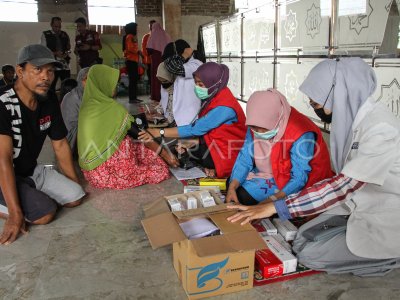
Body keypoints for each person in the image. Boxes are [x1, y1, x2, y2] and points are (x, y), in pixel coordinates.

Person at [228, 58, 400, 276]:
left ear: (339, 94)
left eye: (316, 103)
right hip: (357, 205)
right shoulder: (354, 123)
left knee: (309, 254)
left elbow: (341, 185)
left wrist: (274, 206)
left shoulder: (381, 128)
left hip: (386, 215)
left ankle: (391, 256)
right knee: (300, 240)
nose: (313, 107)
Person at [0, 44, 85, 245]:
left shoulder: (47, 100)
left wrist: (75, 183)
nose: (46, 77)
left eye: (50, 71)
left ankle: (29, 192)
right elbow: (2, 159)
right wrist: (15, 213)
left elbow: (60, 145)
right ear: (20, 72)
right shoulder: (3, 103)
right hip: (4, 172)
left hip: (30, 171)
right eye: (37, 70)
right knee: (44, 213)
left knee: (75, 197)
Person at [139, 62, 247, 178]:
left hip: (230, 149)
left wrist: (159, 132)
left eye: (201, 84)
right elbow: (213, 131)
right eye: (196, 83)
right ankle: (205, 162)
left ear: (213, 82)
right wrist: (195, 142)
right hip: (217, 143)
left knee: (180, 152)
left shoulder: (224, 107)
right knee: (179, 148)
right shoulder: (215, 95)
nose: (197, 88)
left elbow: (196, 129)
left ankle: (216, 166)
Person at [77, 64, 177, 190]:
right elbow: (140, 135)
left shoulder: (87, 106)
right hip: (109, 172)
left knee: (140, 147)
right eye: (113, 83)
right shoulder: (113, 109)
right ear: (102, 83)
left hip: (92, 171)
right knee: (160, 169)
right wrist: (166, 155)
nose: (116, 87)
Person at [226, 89, 333, 205]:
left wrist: (271, 202)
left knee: (243, 196)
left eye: (263, 128)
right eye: (254, 128)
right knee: (232, 185)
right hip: (270, 171)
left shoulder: (300, 132)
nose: (258, 132)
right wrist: (232, 186)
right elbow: (245, 156)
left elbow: (299, 178)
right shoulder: (255, 121)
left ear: (276, 118)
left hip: (293, 178)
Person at [162, 39, 203, 126]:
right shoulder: (181, 65)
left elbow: (175, 67)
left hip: (188, 119)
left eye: (172, 57)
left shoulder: (196, 65)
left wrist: (185, 55)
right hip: (176, 118)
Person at [61, 67, 90, 151]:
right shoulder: (74, 97)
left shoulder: (89, 94)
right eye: (86, 79)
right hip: (73, 137)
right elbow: (73, 125)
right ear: (80, 80)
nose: (90, 82)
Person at [40, 16, 71, 91]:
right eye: (56, 26)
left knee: (67, 85)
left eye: (59, 26)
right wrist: (55, 53)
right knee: (51, 86)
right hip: (52, 63)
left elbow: (69, 48)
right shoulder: (46, 34)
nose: (58, 28)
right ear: (51, 25)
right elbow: (43, 50)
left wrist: (66, 53)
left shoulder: (64, 34)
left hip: (64, 63)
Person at [146, 22, 171, 101]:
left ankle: (156, 95)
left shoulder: (153, 35)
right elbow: (170, 46)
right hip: (165, 58)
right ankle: (165, 95)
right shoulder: (166, 35)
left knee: (156, 76)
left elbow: (149, 49)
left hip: (156, 58)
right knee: (164, 76)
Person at [123, 22, 141, 103]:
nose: (136, 30)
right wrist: (138, 51)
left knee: (134, 80)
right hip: (131, 61)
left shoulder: (131, 36)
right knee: (132, 80)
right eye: (136, 28)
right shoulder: (129, 37)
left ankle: (134, 97)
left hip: (133, 61)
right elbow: (130, 48)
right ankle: (132, 98)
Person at [141, 20, 156, 92]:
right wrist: (144, 61)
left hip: (158, 61)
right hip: (149, 61)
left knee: (158, 77)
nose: (151, 27)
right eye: (150, 25)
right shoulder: (146, 37)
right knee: (151, 77)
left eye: (153, 25)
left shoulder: (160, 37)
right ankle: (152, 93)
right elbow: (144, 50)